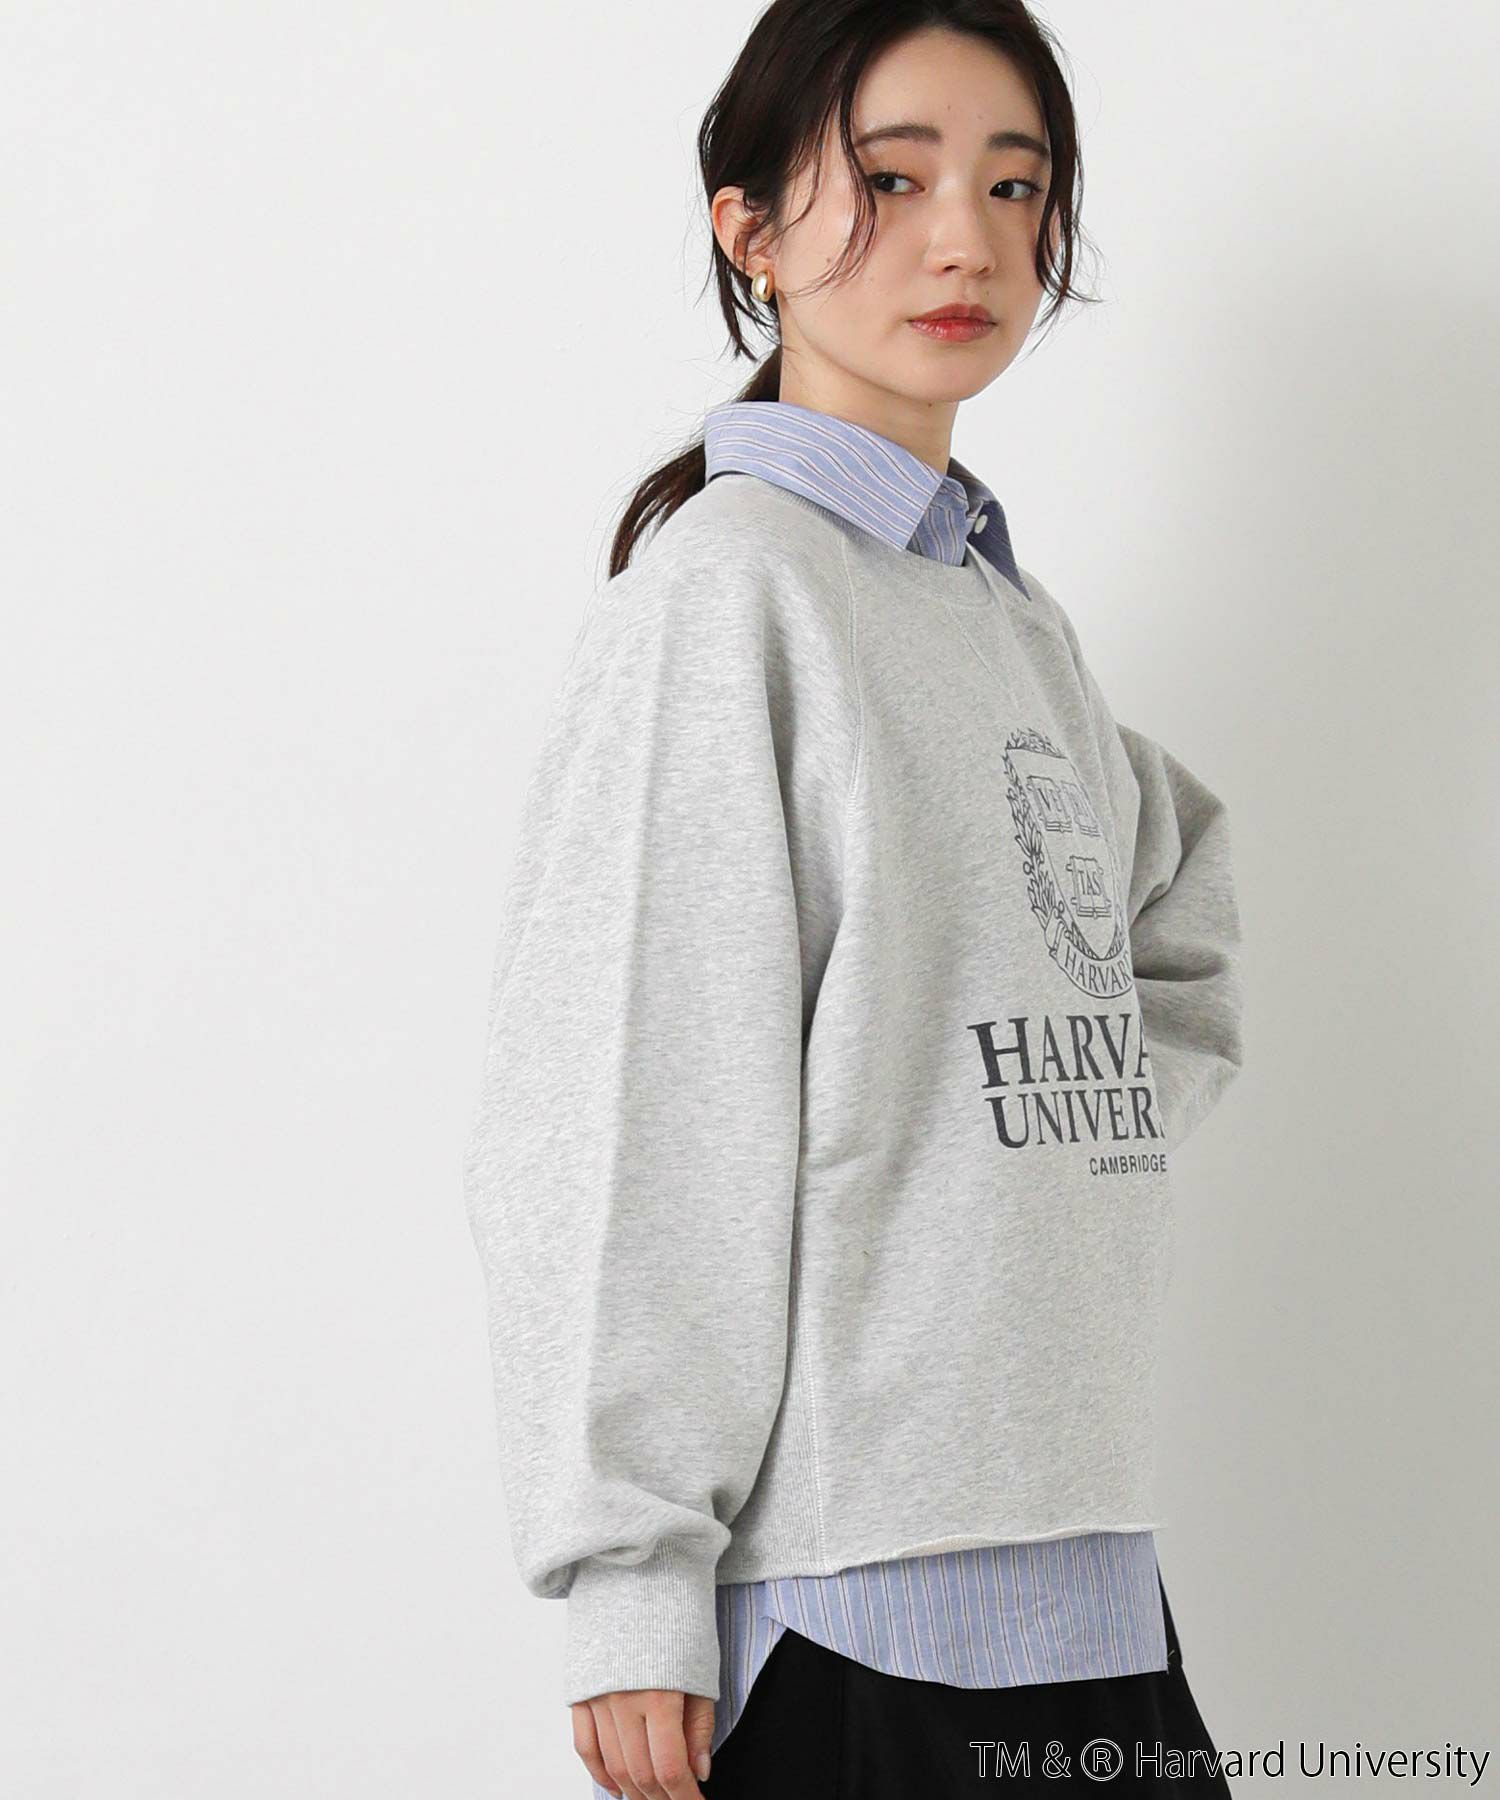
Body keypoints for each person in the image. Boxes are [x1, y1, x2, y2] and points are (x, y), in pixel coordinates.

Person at [462, 3, 1246, 1796]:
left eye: (1014, 184)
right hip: (851, 1613)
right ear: (748, 228)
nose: (964, 236)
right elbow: (621, 1111)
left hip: (1091, 1580)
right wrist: (632, 1578)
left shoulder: (1001, 614)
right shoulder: (728, 598)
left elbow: (1171, 908)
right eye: (890, 180)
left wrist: (1049, 1138)